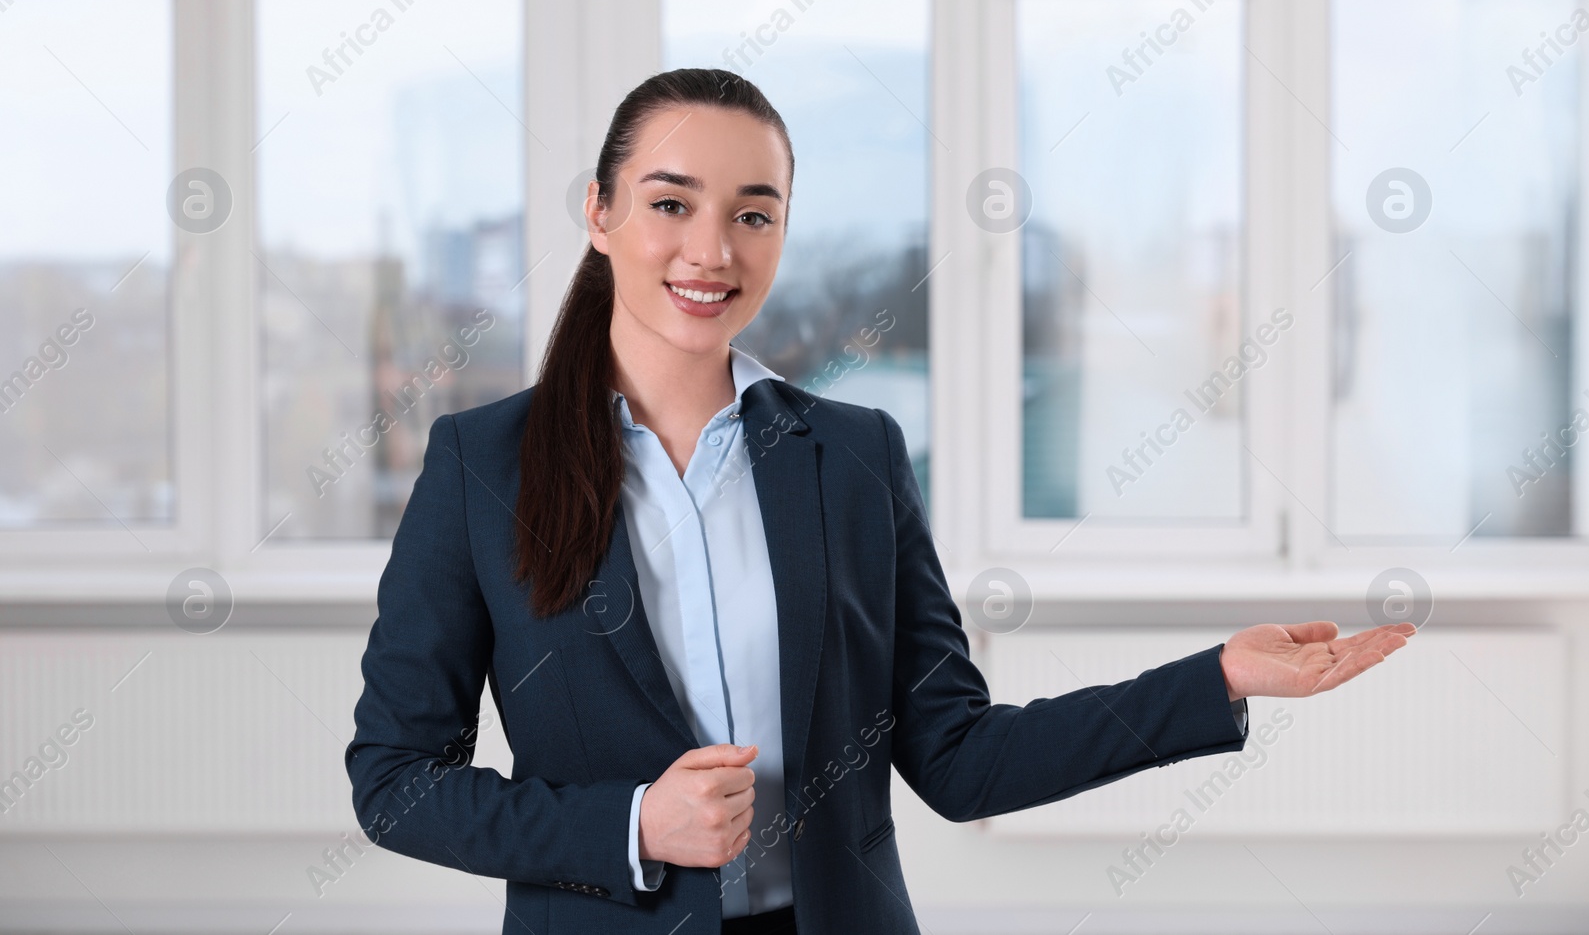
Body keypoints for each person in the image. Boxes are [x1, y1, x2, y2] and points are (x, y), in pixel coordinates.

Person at [346, 68, 1415, 935]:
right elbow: (394, 777)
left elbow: (960, 755)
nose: (711, 249)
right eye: (671, 203)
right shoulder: (481, 465)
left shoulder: (852, 457)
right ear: (600, 211)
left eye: (752, 214)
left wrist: (1216, 675)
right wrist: (630, 822)